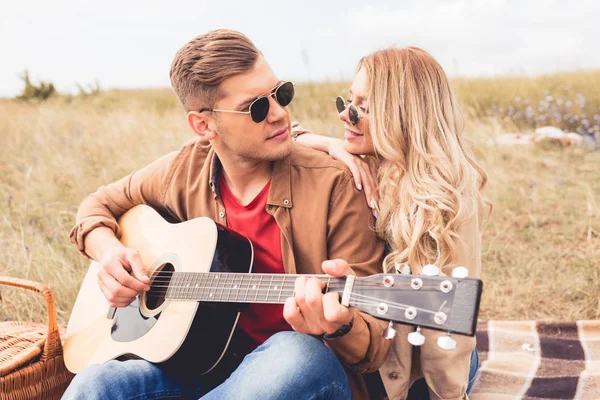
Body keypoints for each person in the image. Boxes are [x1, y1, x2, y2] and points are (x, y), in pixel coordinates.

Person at [62, 29, 392, 400]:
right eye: (257, 108)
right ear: (203, 126)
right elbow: (95, 207)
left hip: (301, 376)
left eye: (281, 93)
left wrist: (340, 326)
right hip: (202, 366)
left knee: (297, 352)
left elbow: (376, 342)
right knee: (95, 384)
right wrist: (109, 253)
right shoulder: (183, 170)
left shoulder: (337, 185)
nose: (280, 114)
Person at [293, 46, 490, 399]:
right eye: (347, 101)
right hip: (371, 348)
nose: (345, 117)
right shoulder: (367, 163)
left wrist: (448, 394)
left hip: (419, 369)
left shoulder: (441, 197)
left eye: (362, 108)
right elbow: (283, 137)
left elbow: (446, 328)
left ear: (402, 116)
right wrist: (327, 144)